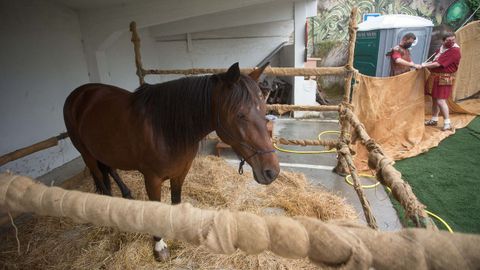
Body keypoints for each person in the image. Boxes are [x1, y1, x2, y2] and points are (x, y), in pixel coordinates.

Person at [422, 32, 461, 131]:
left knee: (440, 100)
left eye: (453, 40)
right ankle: (434, 120)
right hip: (436, 77)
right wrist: (426, 63)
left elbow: (437, 64)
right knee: (435, 99)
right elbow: (435, 61)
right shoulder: (442, 48)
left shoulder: (454, 51)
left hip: (444, 78)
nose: (451, 42)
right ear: (443, 41)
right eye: (448, 40)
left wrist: (423, 65)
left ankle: (447, 123)